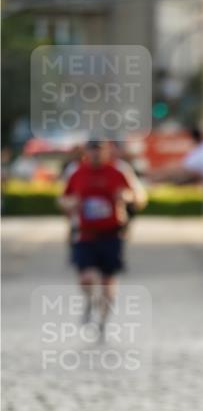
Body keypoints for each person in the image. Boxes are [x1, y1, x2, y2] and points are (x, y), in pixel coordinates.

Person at [59, 141, 138, 335]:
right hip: (85, 234)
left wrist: (126, 198)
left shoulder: (118, 171)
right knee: (86, 277)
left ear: (106, 151)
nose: (95, 154)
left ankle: (103, 319)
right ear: (86, 152)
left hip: (111, 233)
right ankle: (89, 301)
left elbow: (137, 197)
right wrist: (70, 204)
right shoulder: (76, 172)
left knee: (107, 280)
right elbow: (62, 198)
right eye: (92, 150)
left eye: (99, 150)